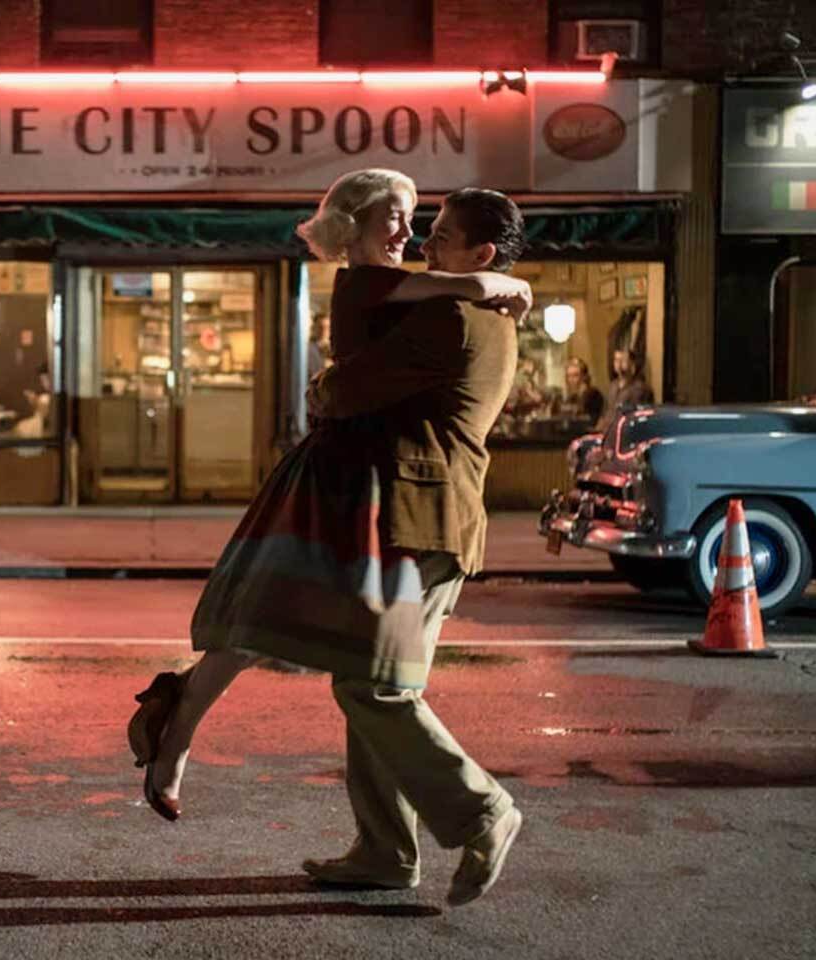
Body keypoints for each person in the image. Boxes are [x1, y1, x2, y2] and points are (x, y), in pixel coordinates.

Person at [126, 170, 528, 907]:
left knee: (374, 685)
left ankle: (481, 812)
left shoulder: (450, 318)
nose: (423, 241)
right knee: (365, 674)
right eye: (419, 225)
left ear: (484, 253)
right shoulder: (476, 308)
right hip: (435, 523)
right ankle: (383, 849)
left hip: (417, 521)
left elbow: (343, 391)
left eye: (439, 234)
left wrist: (321, 387)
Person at [553, 357, 604, 425]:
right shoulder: (571, 397)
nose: (571, 380)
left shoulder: (593, 394)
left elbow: (586, 416)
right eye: (569, 376)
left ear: (584, 376)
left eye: (575, 375)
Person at [608, 348, 654, 412]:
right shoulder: (613, 385)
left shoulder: (640, 388)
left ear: (632, 364)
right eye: (616, 360)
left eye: (623, 360)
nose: (619, 363)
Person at [307, 311, 332, 381]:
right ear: (314, 327)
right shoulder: (307, 350)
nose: (324, 331)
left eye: (327, 327)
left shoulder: (335, 349)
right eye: (320, 327)